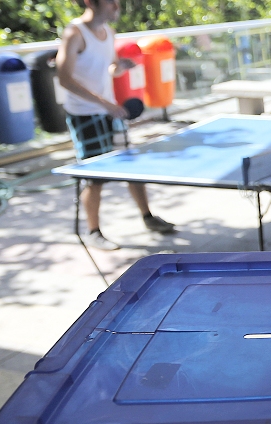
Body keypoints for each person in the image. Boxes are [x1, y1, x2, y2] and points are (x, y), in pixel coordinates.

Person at [56, 0, 176, 251]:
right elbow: (64, 78)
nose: (116, 7)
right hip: (84, 115)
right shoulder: (74, 33)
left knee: (130, 166)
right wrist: (104, 103)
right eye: (111, 2)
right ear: (91, 2)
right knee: (95, 177)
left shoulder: (109, 32)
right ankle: (93, 231)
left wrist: (119, 67)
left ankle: (148, 217)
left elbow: (108, 67)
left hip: (110, 110)